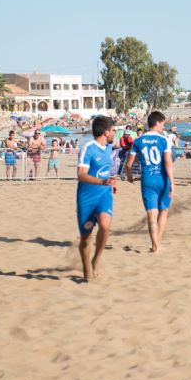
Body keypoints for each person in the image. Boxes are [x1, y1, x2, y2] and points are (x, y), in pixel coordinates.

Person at [125, 111, 175, 253]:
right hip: (162, 178)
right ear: (157, 123)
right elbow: (167, 162)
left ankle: (154, 245)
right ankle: (157, 243)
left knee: (151, 214)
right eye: (163, 124)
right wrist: (172, 182)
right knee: (163, 211)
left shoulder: (138, 141)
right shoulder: (164, 140)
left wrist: (129, 177)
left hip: (147, 179)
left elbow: (128, 165)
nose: (163, 128)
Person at [76, 115, 117, 280]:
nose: (115, 133)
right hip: (86, 198)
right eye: (113, 130)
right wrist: (103, 181)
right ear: (106, 132)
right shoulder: (88, 148)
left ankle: (96, 259)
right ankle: (86, 268)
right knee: (86, 239)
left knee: (105, 227)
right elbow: (80, 175)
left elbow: (106, 171)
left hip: (104, 195)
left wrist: (111, 182)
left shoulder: (109, 148)